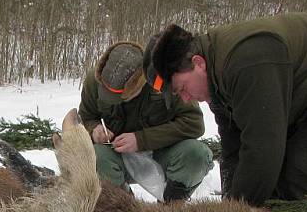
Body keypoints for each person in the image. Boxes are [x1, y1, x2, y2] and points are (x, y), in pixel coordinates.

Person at [143, 12, 307, 205]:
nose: (187, 99)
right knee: (269, 181)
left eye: (182, 88)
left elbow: (264, 148)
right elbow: (235, 147)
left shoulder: (246, 63)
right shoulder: (216, 81)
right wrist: (231, 206)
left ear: (197, 63)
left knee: (297, 173)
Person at [78, 41, 213, 202]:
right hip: (117, 156)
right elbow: (85, 118)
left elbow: (194, 123)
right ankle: (122, 206)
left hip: (163, 153)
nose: (117, 100)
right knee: (94, 156)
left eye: (123, 96)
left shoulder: (168, 78)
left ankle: (171, 207)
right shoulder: (95, 81)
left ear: (141, 82)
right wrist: (94, 129)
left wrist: (141, 139)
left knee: (196, 154)